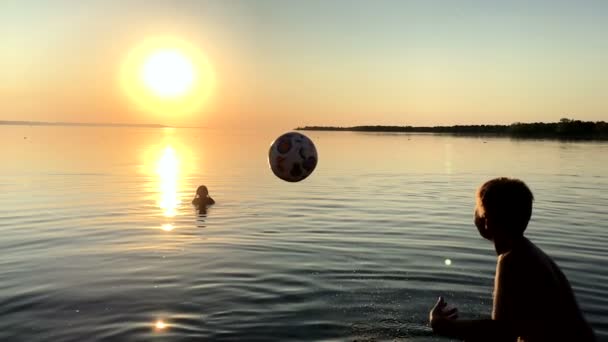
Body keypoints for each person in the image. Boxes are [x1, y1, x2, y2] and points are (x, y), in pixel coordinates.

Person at [429, 177, 595, 342]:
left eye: (476, 207)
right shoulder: (527, 252)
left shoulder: (513, 259)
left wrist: (441, 325)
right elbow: (512, 327)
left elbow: (501, 331)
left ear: (486, 220)